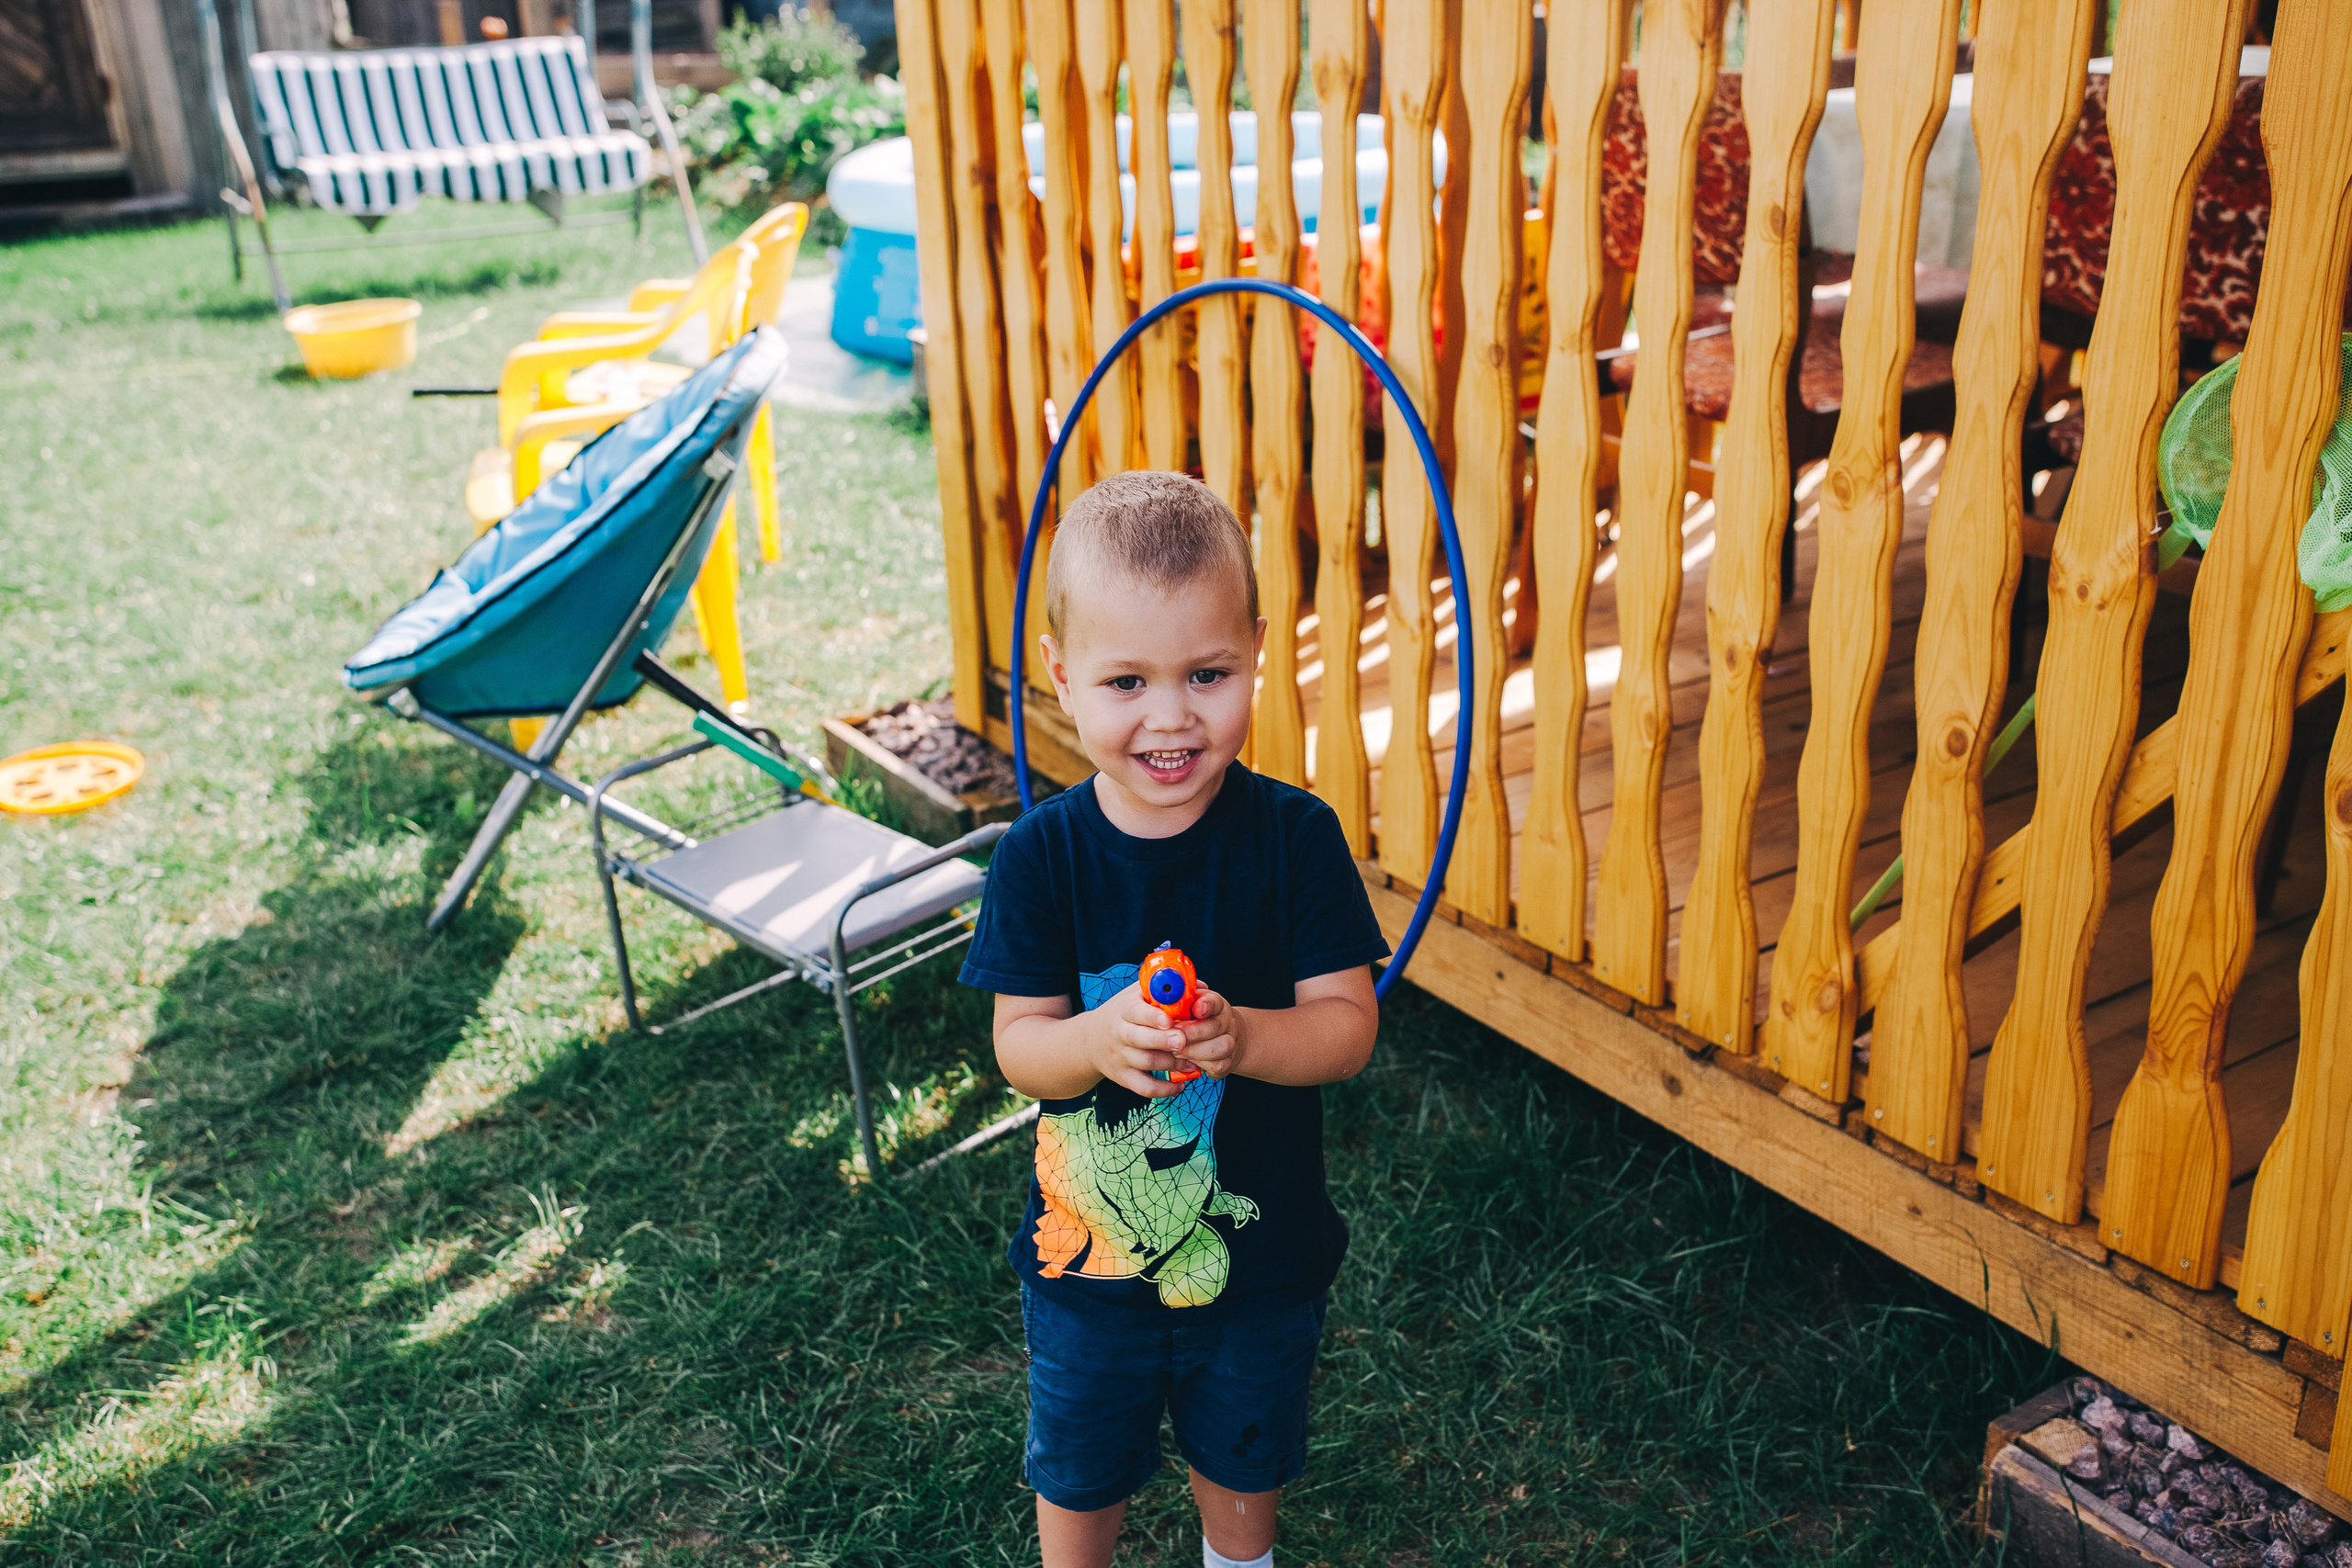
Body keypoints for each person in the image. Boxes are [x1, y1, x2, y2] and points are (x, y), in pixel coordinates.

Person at [958, 470, 1388, 1568]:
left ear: (1256, 650)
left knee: (1244, 1465)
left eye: (1207, 673)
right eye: (1125, 681)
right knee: (1081, 1465)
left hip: (1261, 1261)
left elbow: (1346, 1027)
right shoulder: (1041, 858)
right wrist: (1096, 1042)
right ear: (1061, 678)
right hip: (1089, 1273)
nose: (1169, 717)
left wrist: (1243, 1038)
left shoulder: (1294, 839)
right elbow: (1020, 1049)